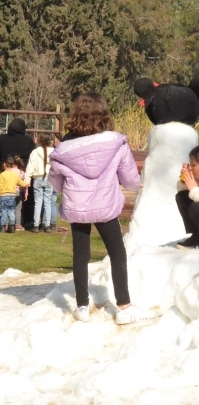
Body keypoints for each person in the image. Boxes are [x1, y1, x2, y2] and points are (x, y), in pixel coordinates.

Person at [48, 92, 153, 324]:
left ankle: (82, 306)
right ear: (104, 112)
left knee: (80, 254)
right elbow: (128, 177)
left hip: (78, 205)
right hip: (105, 204)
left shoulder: (64, 147)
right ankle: (124, 307)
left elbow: (55, 182)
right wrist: (137, 185)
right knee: (117, 253)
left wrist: (64, 189)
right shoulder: (115, 143)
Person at [26, 133, 55, 233]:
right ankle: (47, 225)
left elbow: (30, 166)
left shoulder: (35, 152)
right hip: (49, 178)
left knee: (38, 203)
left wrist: (27, 179)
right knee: (48, 202)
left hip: (38, 178)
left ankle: (35, 225)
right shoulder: (54, 152)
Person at [0, 156, 30, 233]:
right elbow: (20, 183)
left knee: (3, 211)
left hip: (3, 195)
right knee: (11, 210)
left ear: (4, 165)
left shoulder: (2, 175)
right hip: (12, 195)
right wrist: (26, 184)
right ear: (13, 165)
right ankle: (12, 227)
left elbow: (0, 185)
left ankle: (3, 227)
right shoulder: (15, 175)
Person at [12, 155, 27, 231]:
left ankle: (7, 224)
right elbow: (24, 184)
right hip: (18, 191)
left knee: (9, 208)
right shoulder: (21, 172)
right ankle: (17, 225)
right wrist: (26, 193)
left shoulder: (8, 171)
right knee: (18, 209)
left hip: (9, 192)